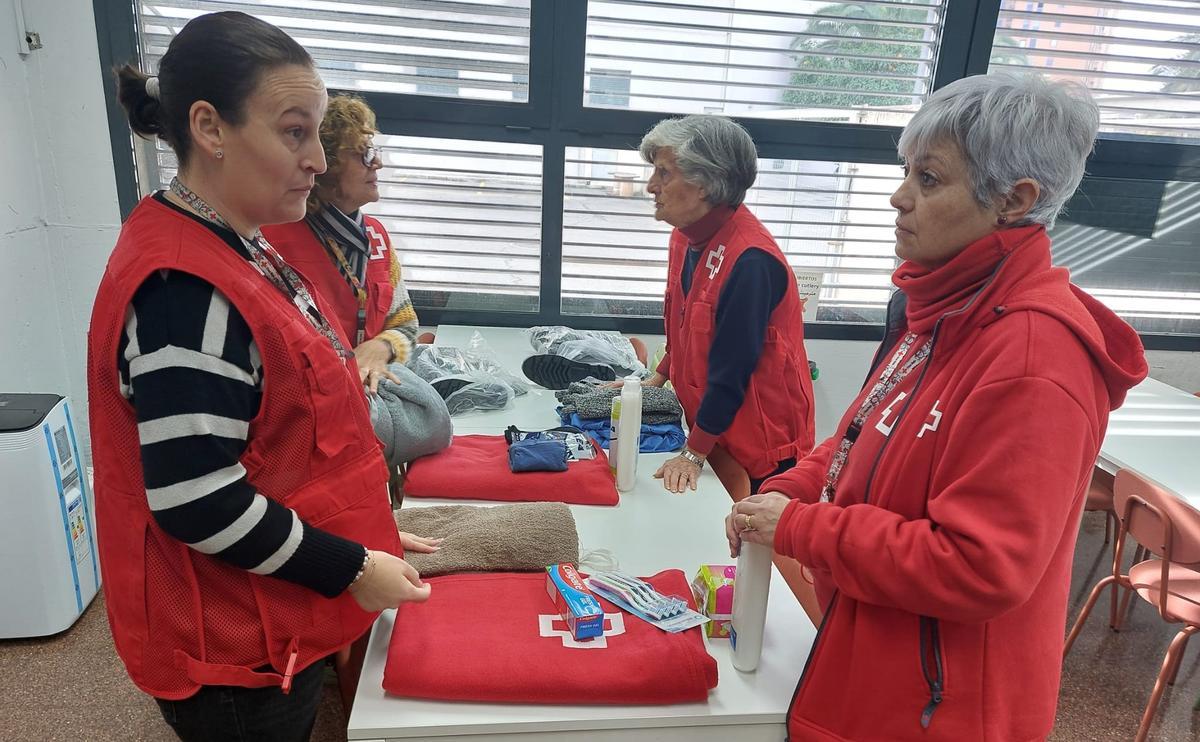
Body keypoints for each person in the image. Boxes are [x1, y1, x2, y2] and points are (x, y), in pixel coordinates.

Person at [726, 73, 1148, 741]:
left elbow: (980, 566)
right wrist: (785, 491)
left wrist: (802, 529)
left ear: (1014, 200)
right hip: (871, 655)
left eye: (928, 180)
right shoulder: (939, 309)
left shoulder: (1035, 357)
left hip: (939, 709)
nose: (899, 198)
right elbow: (857, 437)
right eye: (906, 172)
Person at [88, 13, 436, 741]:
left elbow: (285, 436)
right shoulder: (186, 291)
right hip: (237, 652)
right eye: (294, 131)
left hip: (270, 609)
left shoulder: (237, 244)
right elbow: (196, 498)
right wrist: (348, 566)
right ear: (210, 128)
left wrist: (369, 528)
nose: (316, 158)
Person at [637, 114, 816, 501]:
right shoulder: (686, 237)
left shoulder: (751, 261)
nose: (651, 187)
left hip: (760, 447)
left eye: (664, 174)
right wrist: (659, 378)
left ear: (703, 183)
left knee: (747, 554)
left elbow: (732, 371)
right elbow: (685, 325)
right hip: (711, 428)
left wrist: (693, 452)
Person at [263, 95, 421, 395]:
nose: (378, 162)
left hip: (371, 391)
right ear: (326, 165)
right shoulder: (272, 242)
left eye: (373, 150)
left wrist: (381, 347)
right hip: (311, 400)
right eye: (364, 154)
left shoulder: (377, 238)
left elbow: (407, 326)